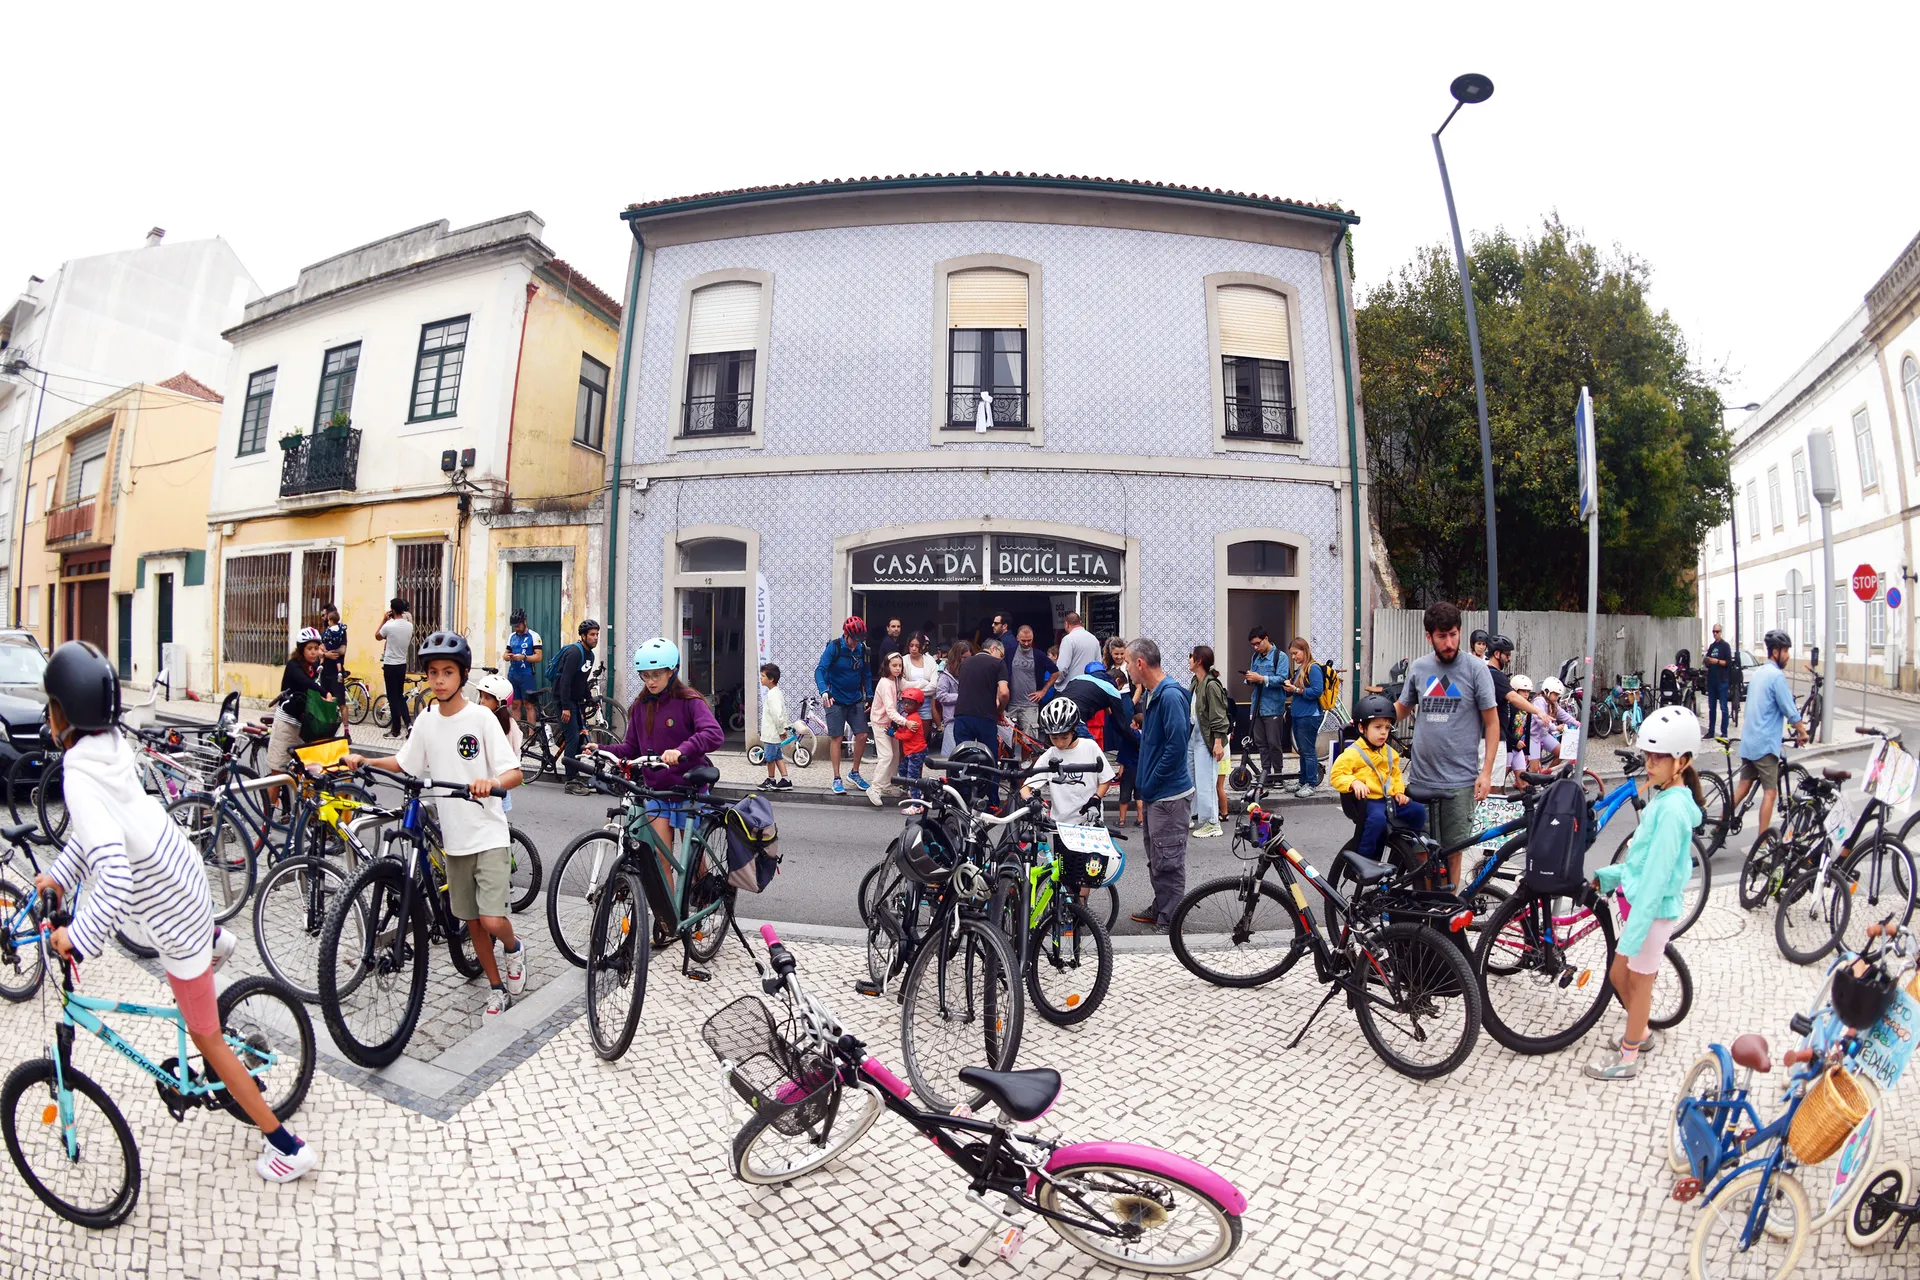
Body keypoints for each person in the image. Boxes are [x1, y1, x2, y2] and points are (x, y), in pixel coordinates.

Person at [33, 641, 317, 1181]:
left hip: (170, 909)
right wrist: (61, 875)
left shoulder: (78, 770)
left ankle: (286, 1146)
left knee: (205, 1033)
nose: (48, 717)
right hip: (181, 873)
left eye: (50, 706)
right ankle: (211, 944)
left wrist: (78, 940)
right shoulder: (107, 746)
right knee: (193, 983)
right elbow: (104, 835)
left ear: (63, 714)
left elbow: (113, 877)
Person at [344, 632, 526, 1021]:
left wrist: (490, 783)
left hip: (489, 834)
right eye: (432, 672)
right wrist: (366, 760)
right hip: (455, 840)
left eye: (448, 672)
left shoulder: (480, 717)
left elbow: (514, 773)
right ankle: (496, 989)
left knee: (493, 919)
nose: (439, 679)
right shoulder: (426, 721)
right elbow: (406, 762)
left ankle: (513, 948)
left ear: (462, 675)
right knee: (473, 921)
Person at [1587, 706, 1704, 1079]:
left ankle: (1628, 1057)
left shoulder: (1671, 811)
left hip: (1651, 913)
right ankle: (1641, 1032)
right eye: (1647, 755)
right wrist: (1609, 876)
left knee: (1636, 982)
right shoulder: (1664, 801)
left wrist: (1635, 929)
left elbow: (1655, 878)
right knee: (1621, 977)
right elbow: (1640, 863)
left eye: (1659, 757)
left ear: (1682, 761)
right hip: (1643, 909)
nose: (1649, 763)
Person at [591, 638, 723, 926]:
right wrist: (600, 749)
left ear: (672, 671)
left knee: (692, 863)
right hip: (657, 790)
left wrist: (683, 750)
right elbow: (631, 749)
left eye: (656, 675)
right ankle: (669, 922)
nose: (650, 681)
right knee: (663, 859)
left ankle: (704, 899)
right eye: (645, 676)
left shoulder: (689, 701)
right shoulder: (640, 706)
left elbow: (714, 735)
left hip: (689, 788)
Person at [1393, 602, 1499, 884]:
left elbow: (1492, 723)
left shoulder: (1477, 669)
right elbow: (1402, 708)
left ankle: (1447, 916)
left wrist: (1486, 772)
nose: (1449, 642)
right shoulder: (1419, 668)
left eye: (1453, 634)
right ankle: (1425, 915)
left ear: (1460, 632)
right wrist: (1370, 717)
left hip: (1460, 781)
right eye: (1442, 636)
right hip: (1421, 779)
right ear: (1429, 636)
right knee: (1420, 851)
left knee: (1454, 850)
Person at [1126, 638, 1193, 929]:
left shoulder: (1169, 695)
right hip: (1157, 794)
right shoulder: (1154, 694)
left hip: (1168, 796)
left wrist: (1151, 782)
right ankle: (1162, 905)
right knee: (1158, 857)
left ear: (1140, 663)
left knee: (1168, 860)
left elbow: (1177, 746)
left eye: (1128, 663)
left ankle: (1171, 917)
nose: (1126, 669)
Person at [1731, 629, 1807, 843]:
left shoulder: (1759, 673)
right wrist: (1802, 731)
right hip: (1764, 745)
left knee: (1743, 787)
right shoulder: (1776, 676)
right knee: (1770, 793)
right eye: (1785, 651)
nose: (1788, 655)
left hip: (1749, 741)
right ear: (1775, 652)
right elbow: (1789, 709)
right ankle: (1762, 844)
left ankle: (1721, 823)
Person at [1330, 694, 1426, 858]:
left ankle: (1407, 848)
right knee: (1377, 821)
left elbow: (1395, 775)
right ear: (1362, 728)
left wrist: (1399, 792)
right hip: (1370, 801)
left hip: (1389, 799)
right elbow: (1336, 774)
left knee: (1418, 811)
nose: (1383, 733)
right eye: (1378, 727)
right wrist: (1353, 782)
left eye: (1387, 728)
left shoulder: (1390, 752)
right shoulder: (1353, 753)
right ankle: (1364, 858)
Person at [264, 628, 335, 815]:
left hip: (303, 727)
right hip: (286, 725)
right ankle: (267, 821)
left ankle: (297, 814)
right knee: (277, 775)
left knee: (304, 772)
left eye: (315, 648)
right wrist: (323, 692)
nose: (313, 651)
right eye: (309, 648)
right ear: (301, 649)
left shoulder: (314, 666)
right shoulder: (294, 665)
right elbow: (305, 683)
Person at [1022, 696, 1115, 825]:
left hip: (1089, 821)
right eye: (1054, 738)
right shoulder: (1050, 754)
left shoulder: (1090, 747)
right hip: (1060, 824)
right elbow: (1025, 788)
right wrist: (1030, 800)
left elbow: (1106, 778)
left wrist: (1096, 798)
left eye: (1064, 737)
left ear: (1074, 729)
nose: (1059, 743)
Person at [815, 617, 873, 797]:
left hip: (855, 698)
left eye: (860, 640)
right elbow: (820, 670)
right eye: (854, 639)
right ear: (846, 635)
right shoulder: (835, 647)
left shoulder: (862, 649)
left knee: (862, 734)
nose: (856, 643)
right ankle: (837, 777)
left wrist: (869, 695)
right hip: (835, 699)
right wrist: (824, 690)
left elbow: (867, 673)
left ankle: (854, 772)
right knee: (837, 738)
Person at [952, 638, 1010, 808]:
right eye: (1001, 654)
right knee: (990, 759)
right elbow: (1004, 693)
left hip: (962, 716)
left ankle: (962, 800)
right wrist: (1000, 710)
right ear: (993, 649)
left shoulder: (966, 663)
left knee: (961, 758)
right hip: (985, 717)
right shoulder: (998, 664)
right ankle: (993, 802)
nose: (1002, 658)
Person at [552, 619, 601, 795]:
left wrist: (589, 698)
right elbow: (565, 681)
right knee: (572, 736)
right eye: (592, 635)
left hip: (574, 700)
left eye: (597, 634)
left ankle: (575, 772)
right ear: (583, 636)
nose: (596, 638)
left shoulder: (590, 655)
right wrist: (565, 706)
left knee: (579, 735)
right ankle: (570, 781)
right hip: (563, 699)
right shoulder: (574, 653)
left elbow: (581, 681)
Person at [1187, 647, 1229, 838]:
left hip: (1207, 738)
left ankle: (1212, 823)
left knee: (1206, 781)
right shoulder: (1196, 682)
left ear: (1199, 661)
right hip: (1194, 735)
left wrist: (1218, 742)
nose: (1189, 660)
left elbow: (1218, 716)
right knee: (1191, 778)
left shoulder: (1211, 685)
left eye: (1191, 658)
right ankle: (1193, 815)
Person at [1243, 626, 1292, 783]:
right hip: (1256, 706)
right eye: (1253, 645)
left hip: (1273, 707)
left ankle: (1278, 775)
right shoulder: (1255, 657)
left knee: (1273, 743)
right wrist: (1249, 678)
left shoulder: (1280, 657)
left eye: (1257, 643)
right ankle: (1266, 775)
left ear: (1266, 638)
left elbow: (1283, 679)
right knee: (1261, 744)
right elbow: (1254, 677)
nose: (1255, 647)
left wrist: (1261, 678)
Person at [1283, 638, 1326, 798]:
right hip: (1300, 714)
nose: (1293, 657)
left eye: (1295, 653)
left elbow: (1317, 691)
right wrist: (1289, 687)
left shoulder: (1313, 668)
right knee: (1303, 750)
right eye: (1292, 654)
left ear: (1304, 650)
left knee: (1308, 751)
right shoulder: (1302, 668)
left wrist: (1297, 690)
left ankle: (1311, 783)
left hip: (1310, 715)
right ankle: (1302, 781)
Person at [1006, 625, 1058, 747]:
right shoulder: (1009, 652)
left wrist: (1043, 691)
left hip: (1030, 705)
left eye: (1029, 640)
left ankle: (1028, 764)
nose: (1026, 643)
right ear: (1017, 638)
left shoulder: (1038, 655)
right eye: (1023, 640)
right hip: (1010, 704)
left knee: (1030, 743)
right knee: (1006, 740)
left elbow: (1056, 672)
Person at [869, 651, 909, 807]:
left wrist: (928, 683)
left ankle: (887, 785)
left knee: (895, 755)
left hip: (889, 723)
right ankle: (875, 788)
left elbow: (909, 685)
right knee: (887, 756)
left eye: (899, 665)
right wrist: (905, 722)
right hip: (880, 723)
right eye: (894, 665)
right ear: (887, 666)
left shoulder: (896, 681)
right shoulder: (885, 683)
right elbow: (890, 710)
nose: (898, 668)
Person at [376, 597, 414, 735]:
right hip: (402, 665)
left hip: (390, 665)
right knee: (399, 696)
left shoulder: (389, 626)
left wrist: (384, 620)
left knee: (392, 698)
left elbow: (377, 636)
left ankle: (396, 730)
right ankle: (409, 724)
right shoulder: (409, 626)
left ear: (392, 610)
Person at [504, 608, 543, 735]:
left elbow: (539, 657)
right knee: (515, 704)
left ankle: (532, 735)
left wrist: (524, 657)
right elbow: (506, 653)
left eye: (518, 625)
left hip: (527, 674)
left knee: (528, 704)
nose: (517, 628)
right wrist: (506, 656)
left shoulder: (534, 636)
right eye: (515, 626)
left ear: (524, 621)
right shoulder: (511, 637)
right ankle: (517, 734)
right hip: (513, 674)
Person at [1528, 677, 1580, 766]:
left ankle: (1547, 776)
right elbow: (1542, 721)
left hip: (1543, 735)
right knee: (1534, 769)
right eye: (1555, 694)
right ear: (1547, 691)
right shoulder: (1539, 701)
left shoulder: (1552, 703)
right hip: (1533, 737)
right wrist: (1555, 728)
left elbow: (1562, 714)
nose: (1557, 697)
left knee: (1561, 753)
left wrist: (1576, 723)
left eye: (1558, 695)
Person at [473, 671, 523, 759]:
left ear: (500, 702)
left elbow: (515, 752)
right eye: (481, 696)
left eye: (487, 698)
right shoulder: (478, 720)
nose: (482, 701)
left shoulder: (509, 724)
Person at [757, 662, 792, 791]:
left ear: (771, 679)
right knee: (778, 757)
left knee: (770, 758)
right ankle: (786, 779)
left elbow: (778, 715)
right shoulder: (775, 692)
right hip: (774, 733)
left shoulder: (773, 694)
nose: (761, 678)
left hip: (772, 734)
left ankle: (771, 779)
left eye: (763, 676)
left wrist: (782, 730)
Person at [934, 639, 969, 757]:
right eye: (964, 658)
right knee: (953, 756)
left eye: (969, 658)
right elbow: (941, 695)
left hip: (969, 718)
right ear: (957, 657)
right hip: (952, 719)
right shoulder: (945, 675)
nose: (967, 661)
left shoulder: (971, 671)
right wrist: (961, 697)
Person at [895, 687, 930, 799]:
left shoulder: (914, 719)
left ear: (918, 706)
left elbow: (907, 736)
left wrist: (894, 734)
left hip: (916, 752)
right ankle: (912, 789)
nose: (906, 705)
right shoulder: (908, 717)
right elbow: (906, 731)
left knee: (912, 777)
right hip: (912, 752)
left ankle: (916, 802)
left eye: (910, 704)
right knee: (902, 768)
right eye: (905, 702)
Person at [1055, 611, 1101, 689]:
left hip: (1070, 688)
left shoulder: (1068, 639)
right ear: (1080, 622)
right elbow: (1098, 664)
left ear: (1066, 624)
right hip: (1089, 688)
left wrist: (1056, 681)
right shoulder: (1093, 639)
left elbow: (1062, 668)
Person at [1704, 623, 1734, 739]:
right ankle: (1711, 731)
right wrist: (1707, 661)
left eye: (1717, 631)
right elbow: (1707, 660)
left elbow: (1728, 663)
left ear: (1721, 632)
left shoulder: (1725, 646)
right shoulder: (1712, 647)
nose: (1715, 634)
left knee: (1723, 707)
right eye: (1713, 632)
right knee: (1712, 707)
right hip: (1712, 680)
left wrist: (1716, 661)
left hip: (1722, 680)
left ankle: (1724, 732)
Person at [900, 634, 938, 725]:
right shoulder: (903, 660)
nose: (913, 649)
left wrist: (912, 691)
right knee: (905, 735)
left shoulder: (930, 661)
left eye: (917, 646)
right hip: (906, 703)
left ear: (923, 646)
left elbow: (934, 686)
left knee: (921, 737)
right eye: (911, 645)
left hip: (925, 703)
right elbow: (902, 685)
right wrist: (923, 682)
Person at [319, 606, 347, 699]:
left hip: (335, 672)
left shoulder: (341, 631)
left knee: (340, 702)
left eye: (324, 615)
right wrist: (325, 654)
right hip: (325, 673)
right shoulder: (324, 632)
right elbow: (318, 649)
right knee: (325, 700)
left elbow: (342, 650)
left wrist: (331, 653)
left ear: (329, 616)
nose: (322, 617)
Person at [872, 617, 905, 687]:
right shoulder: (888, 643)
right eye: (893, 626)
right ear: (887, 628)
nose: (896, 629)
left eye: (898, 626)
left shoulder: (890, 642)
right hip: (888, 680)